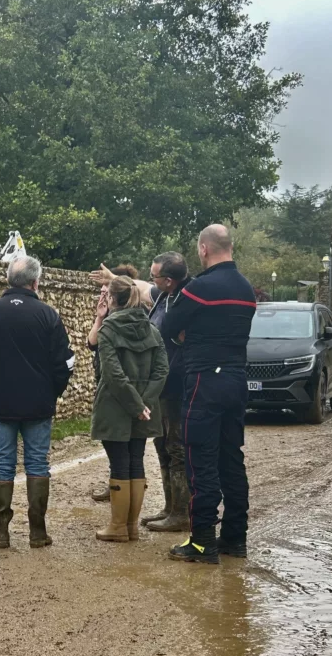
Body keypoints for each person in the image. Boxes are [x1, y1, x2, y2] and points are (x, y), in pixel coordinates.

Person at [0, 255, 75, 549]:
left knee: (2, 464)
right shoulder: (48, 314)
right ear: (36, 282)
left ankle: (0, 531)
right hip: (39, 403)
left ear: (8, 280)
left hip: (0, 401)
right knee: (38, 463)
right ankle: (38, 532)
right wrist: (53, 392)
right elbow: (64, 363)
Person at [161, 225, 256, 563]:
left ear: (203, 249)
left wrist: (190, 337)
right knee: (232, 461)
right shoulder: (246, 289)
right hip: (236, 379)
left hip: (204, 380)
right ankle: (235, 539)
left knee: (200, 462)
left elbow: (166, 328)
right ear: (230, 246)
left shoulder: (200, 289)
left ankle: (202, 542)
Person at [91, 276, 169, 541]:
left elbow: (111, 374)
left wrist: (135, 405)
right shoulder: (152, 330)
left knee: (119, 463)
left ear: (112, 299)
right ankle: (131, 526)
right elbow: (162, 370)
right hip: (146, 408)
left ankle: (117, 526)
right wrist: (144, 403)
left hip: (114, 406)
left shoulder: (109, 330)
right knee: (136, 460)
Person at [142, 252, 193, 533]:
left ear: (169, 280)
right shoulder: (163, 296)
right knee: (161, 445)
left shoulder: (186, 298)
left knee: (176, 448)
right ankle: (169, 506)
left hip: (177, 385)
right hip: (161, 384)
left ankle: (181, 512)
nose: (152, 281)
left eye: (155, 276)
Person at [87, 264, 143, 503]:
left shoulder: (135, 321)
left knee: (127, 453)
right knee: (123, 452)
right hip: (113, 387)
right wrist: (100, 317)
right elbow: (92, 343)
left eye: (107, 291)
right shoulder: (108, 319)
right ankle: (122, 495)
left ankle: (122, 516)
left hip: (121, 390)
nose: (103, 295)